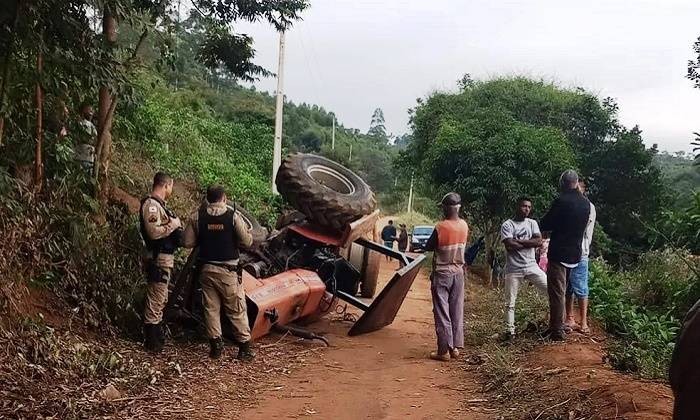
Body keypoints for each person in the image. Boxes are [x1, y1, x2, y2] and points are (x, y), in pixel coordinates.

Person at [182, 185, 255, 361]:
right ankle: (244, 348)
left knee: (211, 309)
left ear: (208, 198)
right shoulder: (232, 216)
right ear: (224, 197)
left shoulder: (198, 216)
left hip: (206, 270)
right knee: (236, 309)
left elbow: (187, 242)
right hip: (228, 271)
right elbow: (247, 241)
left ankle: (216, 347)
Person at [540, 170, 591, 341]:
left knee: (557, 293)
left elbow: (546, 223)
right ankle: (556, 326)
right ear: (576, 182)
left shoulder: (561, 201)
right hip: (575, 253)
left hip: (559, 253)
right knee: (564, 291)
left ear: (562, 183)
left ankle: (557, 330)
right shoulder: (585, 204)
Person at [139, 172, 183, 353]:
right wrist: (173, 225)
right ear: (166, 185)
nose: (171, 190)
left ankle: (156, 338)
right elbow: (153, 232)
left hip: (164, 258)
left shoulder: (160, 206)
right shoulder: (152, 206)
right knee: (156, 299)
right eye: (171, 187)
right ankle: (151, 341)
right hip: (158, 258)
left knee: (160, 298)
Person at [425, 192, 469, 361]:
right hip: (458, 273)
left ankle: (443, 350)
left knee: (442, 312)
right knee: (456, 310)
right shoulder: (464, 225)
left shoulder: (441, 227)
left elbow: (429, 247)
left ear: (445, 208)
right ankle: (455, 348)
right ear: (459, 208)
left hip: (442, 273)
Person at [500, 197, 548, 341]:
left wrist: (518, 241)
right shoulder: (507, 225)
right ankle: (510, 332)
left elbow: (538, 241)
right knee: (510, 302)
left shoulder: (532, 223)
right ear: (517, 207)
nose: (526, 209)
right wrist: (529, 243)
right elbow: (509, 245)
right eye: (523, 206)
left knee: (552, 290)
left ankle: (555, 323)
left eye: (528, 207)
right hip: (514, 268)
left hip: (532, 266)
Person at [564, 180, 596, 334]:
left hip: (580, 251)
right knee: (567, 287)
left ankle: (583, 321)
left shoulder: (588, 207)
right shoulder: (571, 204)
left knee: (581, 287)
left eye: (579, 187)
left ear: (583, 190)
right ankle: (569, 318)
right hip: (567, 250)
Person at [74, 102, 97, 171]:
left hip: (89, 157)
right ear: (83, 111)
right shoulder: (80, 123)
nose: (91, 113)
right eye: (89, 111)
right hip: (81, 155)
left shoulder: (91, 125)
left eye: (92, 111)